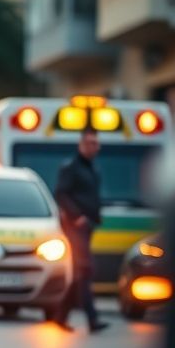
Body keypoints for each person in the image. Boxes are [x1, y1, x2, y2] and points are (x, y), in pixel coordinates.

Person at [52, 127, 109, 334]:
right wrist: (77, 216)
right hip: (75, 228)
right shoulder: (71, 168)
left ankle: (60, 315)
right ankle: (92, 319)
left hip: (88, 227)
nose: (95, 147)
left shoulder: (93, 168)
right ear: (81, 144)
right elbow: (61, 194)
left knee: (79, 274)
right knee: (85, 270)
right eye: (90, 143)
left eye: (96, 143)